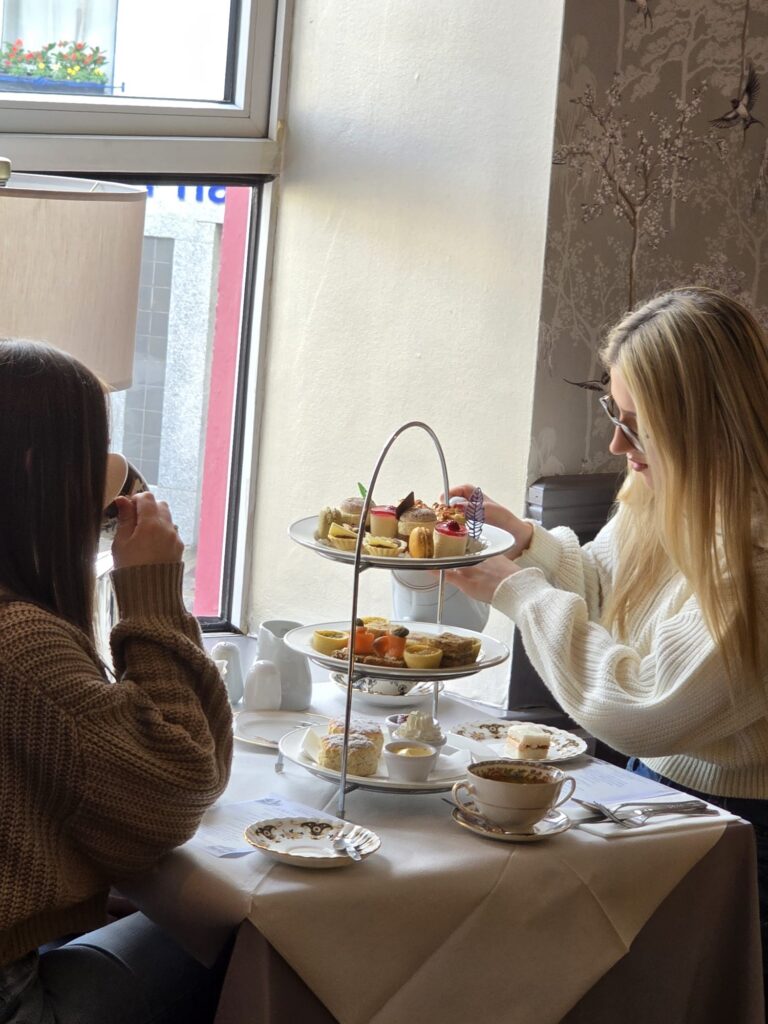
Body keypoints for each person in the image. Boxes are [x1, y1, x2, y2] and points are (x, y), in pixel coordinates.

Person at [446, 287, 768, 990]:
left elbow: (646, 707)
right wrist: (524, 540)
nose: (617, 444)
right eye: (611, 413)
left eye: (635, 425)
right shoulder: (670, 487)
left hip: (744, 830)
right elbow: (603, 589)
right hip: (655, 793)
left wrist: (517, 589)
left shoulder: (757, 558)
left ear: (702, 424)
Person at [0, 340, 233, 1023]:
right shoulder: (21, 644)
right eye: (95, 445)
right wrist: (151, 594)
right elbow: (183, 786)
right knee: (237, 942)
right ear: (41, 467)